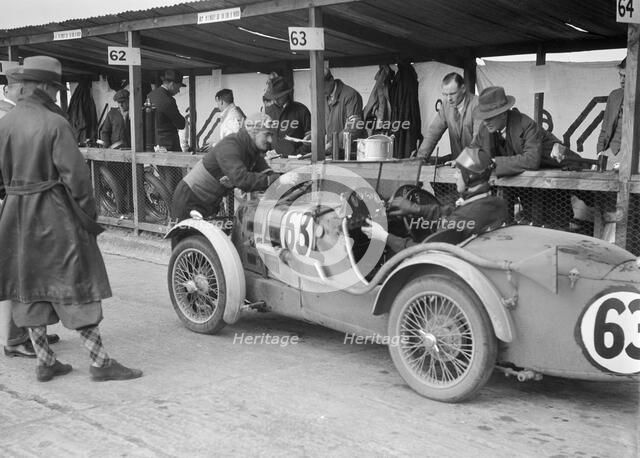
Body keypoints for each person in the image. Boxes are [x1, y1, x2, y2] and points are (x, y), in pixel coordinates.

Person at [0, 56, 142, 382]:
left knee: (29, 285)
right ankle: (99, 362)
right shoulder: (55, 124)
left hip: (15, 215)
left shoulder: (4, 124)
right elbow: (77, 180)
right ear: (45, 86)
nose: (54, 92)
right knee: (76, 282)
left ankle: (45, 360)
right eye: (53, 86)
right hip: (54, 213)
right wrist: (88, 218)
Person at [1, 70, 61, 358]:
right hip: (16, 201)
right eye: (20, 87)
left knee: (26, 270)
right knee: (19, 272)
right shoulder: (9, 117)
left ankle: (34, 333)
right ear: (13, 88)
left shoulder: (15, 115)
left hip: (16, 199)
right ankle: (16, 338)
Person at [363, 147, 508, 253]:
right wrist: (416, 209)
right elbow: (453, 213)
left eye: (458, 172)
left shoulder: (461, 219)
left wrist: (384, 237)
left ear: (470, 177)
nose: (455, 176)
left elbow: (424, 252)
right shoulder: (495, 203)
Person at [172, 114, 282, 221]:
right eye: (267, 135)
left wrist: (284, 181)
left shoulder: (252, 151)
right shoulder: (231, 146)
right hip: (190, 199)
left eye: (271, 135)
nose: (270, 140)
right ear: (253, 132)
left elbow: (268, 174)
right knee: (188, 238)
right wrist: (270, 180)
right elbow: (241, 179)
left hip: (209, 202)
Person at [417, 72, 480, 163]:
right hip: (456, 163)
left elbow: (478, 140)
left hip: (478, 164)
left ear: (463, 88)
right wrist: (420, 158)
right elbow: (433, 132)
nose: (448, 98)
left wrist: (463, 161)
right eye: (445, 94)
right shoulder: (446, 105)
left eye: (452, 94)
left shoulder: (478, 105)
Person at [147, 69, 187, 192]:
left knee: (163, 178)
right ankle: (172, 209)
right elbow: (181, 124)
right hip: (169, 147)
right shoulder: (168, 101)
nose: (179, 90)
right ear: (172, 84)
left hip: (155, 144)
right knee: (173, 182)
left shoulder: (151, 95)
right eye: (178, 87)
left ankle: (163, 206)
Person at [263, 75, 311, 158]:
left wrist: (298, 153)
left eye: (278, 97)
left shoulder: (301, 110)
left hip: (297, 161)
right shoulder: (268, 111)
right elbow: (264, 135)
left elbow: (311, 138)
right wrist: (267, 152)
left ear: (286, 94)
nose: (275, 100)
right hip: (273, 161)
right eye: (273, 97)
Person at [324, 68, 364, 156]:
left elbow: (354, 127)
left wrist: (332, 144)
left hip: (349, 153)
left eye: (323, 86)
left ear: (331, 80)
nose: (320, 91)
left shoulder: (350, 95)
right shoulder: (323, 96)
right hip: (331, 152)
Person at [597, 58, 626, 161]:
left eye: (626, 76)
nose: (622, 80)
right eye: (620, 75)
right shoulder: (614, 96)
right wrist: (600, 153)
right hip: (611, 153)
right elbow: (604, 128)